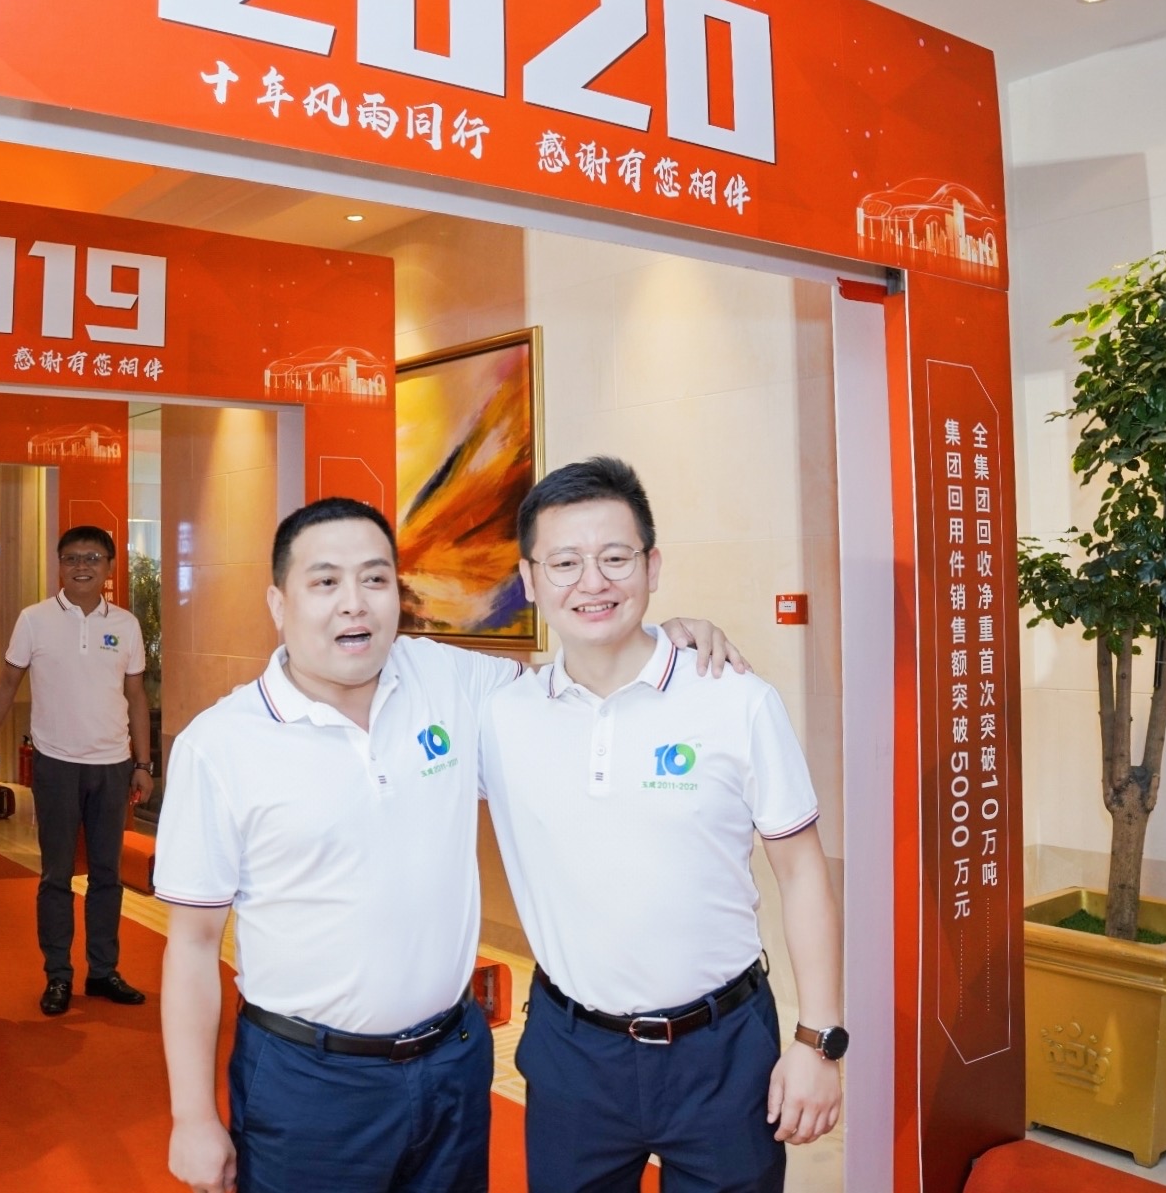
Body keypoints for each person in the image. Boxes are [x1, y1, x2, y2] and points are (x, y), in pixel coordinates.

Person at [155, 497, 746, 1193]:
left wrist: (652, 640)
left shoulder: (448, 680)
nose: (354, 603)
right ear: (279, 603)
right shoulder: (220, 745)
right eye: (325, 582)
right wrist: (191, 1116)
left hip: (453, 1064)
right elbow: (192, 944)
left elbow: (573, 686)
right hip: (309, 1082)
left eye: (375, 578)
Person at [480, 457, 845, 1193]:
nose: (592, 581)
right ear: (529, 579)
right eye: (565, 562)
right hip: (572, 1052)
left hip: (722, 1049)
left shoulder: (734, 698)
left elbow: (803, 872)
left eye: (615, 558)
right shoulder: (499, 716)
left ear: (651, 566)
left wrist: (818, 1040)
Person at [0, 525, 154, 1015]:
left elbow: (136, 696)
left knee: (107, 875)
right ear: (59, 565)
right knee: (56, 875)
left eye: (93, 558)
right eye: (72, 558)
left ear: (109, 566)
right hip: (56, 764)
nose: (82, 566)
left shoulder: (125, 624)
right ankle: (58, 975)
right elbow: (6, 685)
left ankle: (103, 971)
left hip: (112, 765)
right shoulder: (34, 619)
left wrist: (143, 763)